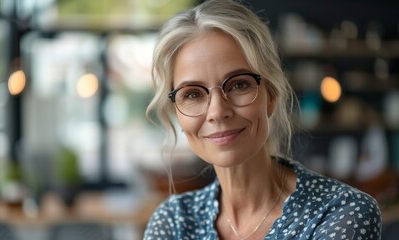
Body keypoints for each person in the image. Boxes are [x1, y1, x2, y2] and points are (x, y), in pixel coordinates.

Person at [144, 0, 382, 239]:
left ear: (271, 95)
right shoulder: (173, 221)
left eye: (239, 84)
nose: (217, 112)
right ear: (177, 112)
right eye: (193, 94)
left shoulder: (342, 213)